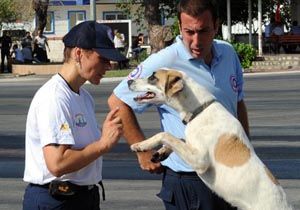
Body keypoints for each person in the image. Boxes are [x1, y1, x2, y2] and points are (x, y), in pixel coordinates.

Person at [108, 0, 249, 209]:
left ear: (216, 26)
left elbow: (237, 103)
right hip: (191, 181)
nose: (196, 41)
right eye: (188, 32)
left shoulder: (228, 54)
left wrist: (246, 149)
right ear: (180, 28)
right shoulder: (165, 61)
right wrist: (142, 150)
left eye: (203, 31)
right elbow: (118, 100)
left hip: (229, 175)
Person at [22, 21, 126, 210]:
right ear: (79, 53)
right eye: (103, 58)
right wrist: (102, 145)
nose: (109, 66)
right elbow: (57, 163)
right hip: (56, 201)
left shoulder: (83, 96)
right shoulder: (55, 97)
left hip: (81, 198)